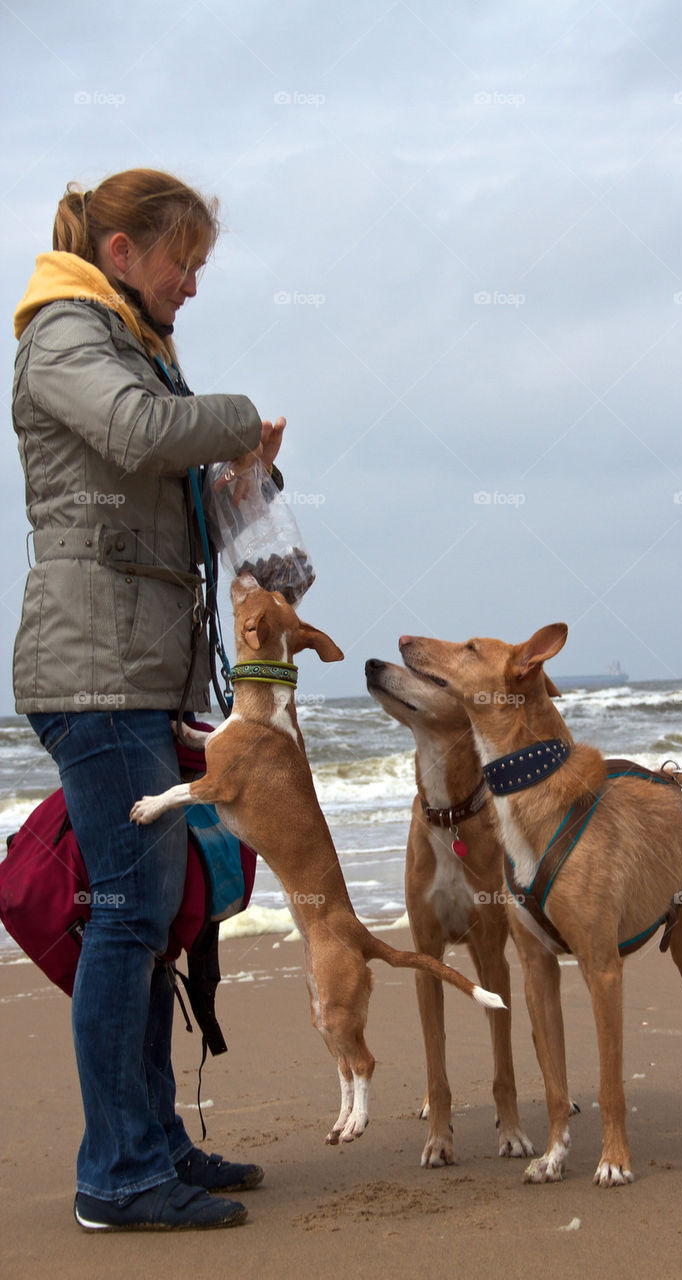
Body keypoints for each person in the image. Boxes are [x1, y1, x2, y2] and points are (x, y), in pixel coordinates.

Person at [12, 169, 285, 1231]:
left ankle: (153, 1140)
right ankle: (118, 1173)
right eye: (185, 261)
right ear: (122, 251)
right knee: (128, 917)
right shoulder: (66, 334)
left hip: (130, 672)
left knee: (152, 920)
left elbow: (161, 520)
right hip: (93, 674)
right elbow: (135, 431)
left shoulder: (126, 341)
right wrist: (234, 419)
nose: (194, 284)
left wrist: (234, 478)